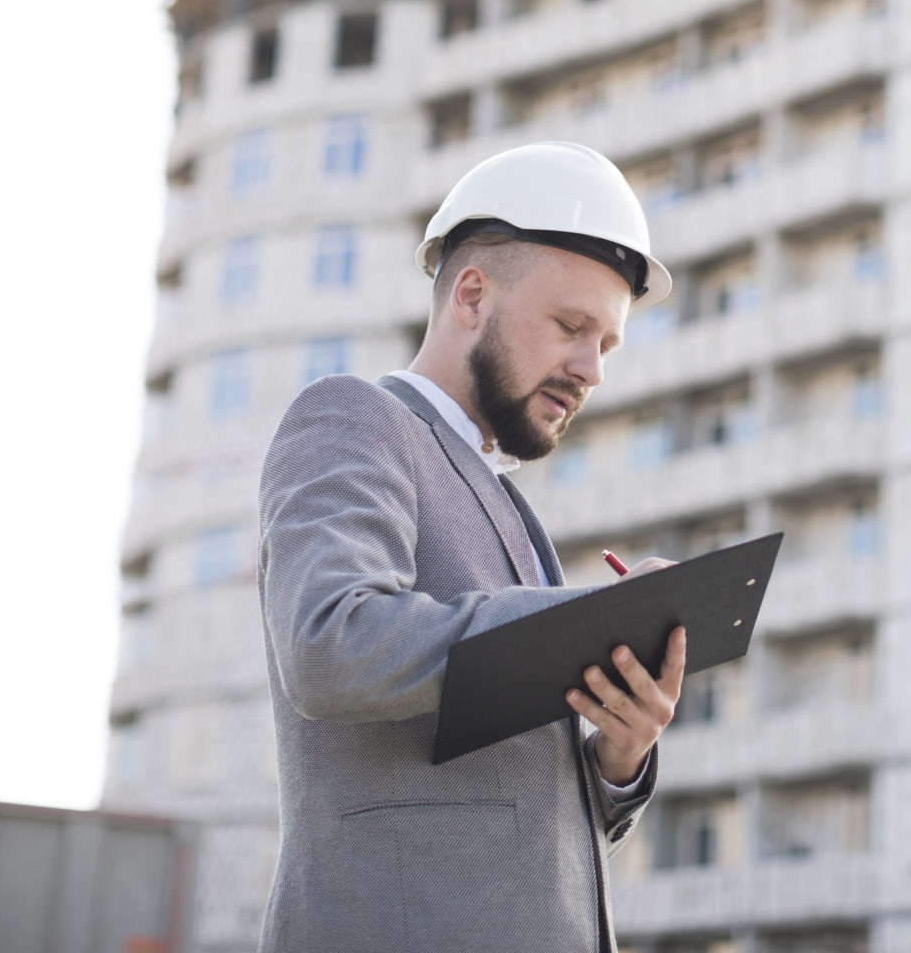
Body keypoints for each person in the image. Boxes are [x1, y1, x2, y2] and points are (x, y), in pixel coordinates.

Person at [255, 141, 681, 952]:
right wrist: (587, 622)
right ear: (473, 295)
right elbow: (327, 643)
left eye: (608, 345)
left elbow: (515, 831)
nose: (591, 369)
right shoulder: (352, 420)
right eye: (570, 326)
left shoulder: (514, 515)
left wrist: (618, 756)